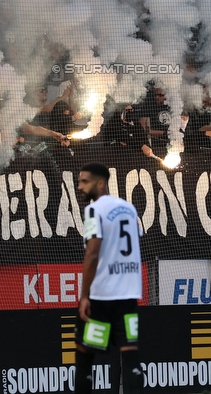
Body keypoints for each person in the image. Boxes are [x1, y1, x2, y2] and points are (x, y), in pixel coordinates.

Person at [74, 163, 144, 394]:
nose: (80, 186)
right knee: (130, 355)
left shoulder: (94, 210)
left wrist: (85, 296)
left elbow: (92, 253)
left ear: (101, 183)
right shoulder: (129, 209)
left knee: (85, 355)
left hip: (102, 296)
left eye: (85, 181)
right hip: (128, 295)